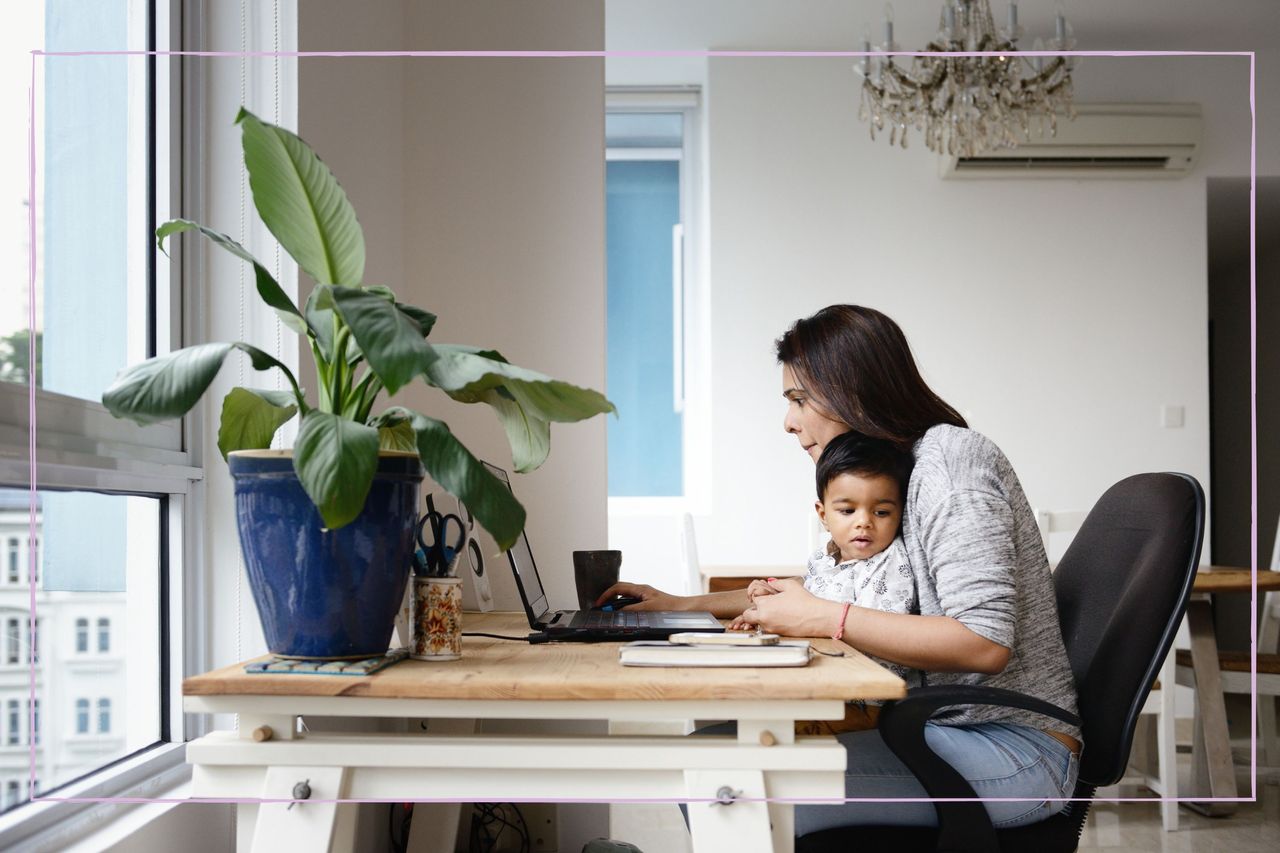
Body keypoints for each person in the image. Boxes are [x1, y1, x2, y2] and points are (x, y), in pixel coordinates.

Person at [598, 304, 1081, 833]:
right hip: (938, 728)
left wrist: (827, 618)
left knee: (728, 786)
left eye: (799, 399)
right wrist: (680, 604)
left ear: (854, 390)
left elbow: (983, 644)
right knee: (708, 754)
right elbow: (832, 589)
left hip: (1012, 749)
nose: (788, 421)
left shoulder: (950, 466)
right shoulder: (900, 469)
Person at [732, 431, 919, 735]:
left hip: (866, 700)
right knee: (749, 710)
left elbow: (880, 632)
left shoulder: (892, 563)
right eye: (847, 511)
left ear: (899, 514)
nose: (864, 522)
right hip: (821, 681)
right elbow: (804, 608)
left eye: (882, 512)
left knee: (778, 729)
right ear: (823, 514)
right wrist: (767, 606)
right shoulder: (823, 558)